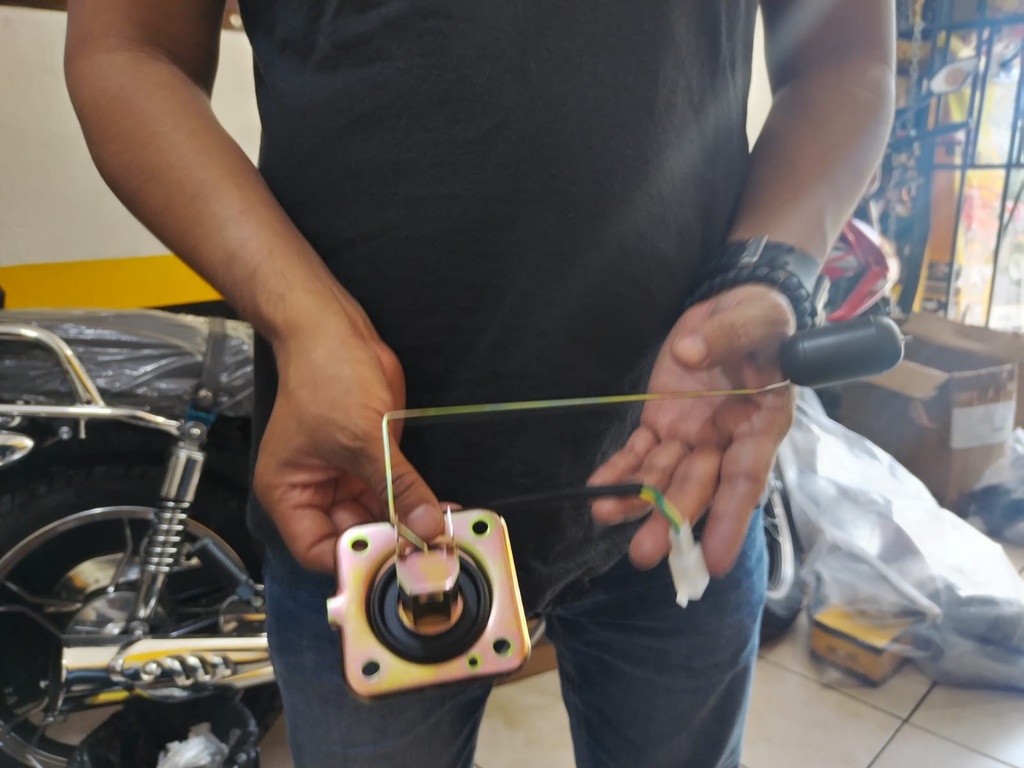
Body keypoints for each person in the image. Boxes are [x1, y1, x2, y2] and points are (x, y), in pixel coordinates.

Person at [65, 2, 894, 766]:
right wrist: (306, 323)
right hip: (364, 498)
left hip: (683, 475)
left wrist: (763, 274)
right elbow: (128, 50)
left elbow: (845, 61)